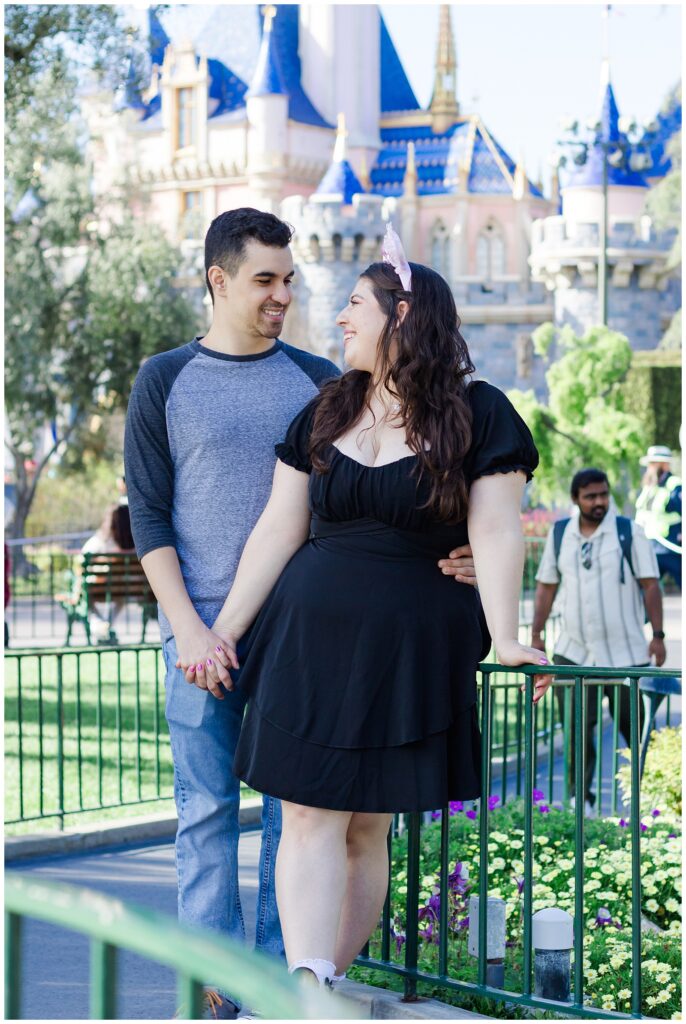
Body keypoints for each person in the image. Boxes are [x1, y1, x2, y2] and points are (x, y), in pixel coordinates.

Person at [124, 210, 477, 1018]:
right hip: (201, 635)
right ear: (219, 280)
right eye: (266, 280)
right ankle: (217, 988)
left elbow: (387, 485)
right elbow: (149, 514)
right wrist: (190, 631)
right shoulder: (164, 379)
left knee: (302, 819)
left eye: (290, 279)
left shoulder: (324, 380)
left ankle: (287, 987)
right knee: (205, 813)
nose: (285, 294)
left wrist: (455, 556)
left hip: (305, 642)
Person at [185, 229, 550, 991]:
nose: (341, 319)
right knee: (310, 815)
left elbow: (494, 528)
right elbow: (277, 530)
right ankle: (309, 988)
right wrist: (224, 630)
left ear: (403, 313)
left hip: (411, 648)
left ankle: (321, 979)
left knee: (365, 826)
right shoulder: (326, 409)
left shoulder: (479, 413)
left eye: (355, 305)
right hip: (307, 644)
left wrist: (510, 636)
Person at [532, 467, 665, 814]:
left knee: (637, 733)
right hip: (573, 654)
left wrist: (659, 636)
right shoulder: (560, 534)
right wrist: (536, 634)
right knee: (577, 731)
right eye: (591, 496)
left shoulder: (628, 532)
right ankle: (581, 804)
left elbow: (651, 584)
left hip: (627, 654)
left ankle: (648, 802)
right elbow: (546, 585)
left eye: (604, 494)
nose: (599, 502)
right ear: (576, 499)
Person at [79, 504, 135, 643]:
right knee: (120, 597)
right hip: (124, 589)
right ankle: (106, 625)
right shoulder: (134, 547)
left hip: (96, 589)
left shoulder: (98, 542)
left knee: (84, 596)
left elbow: (82, 561)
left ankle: (99, 625)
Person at [635, 445, 682, 591]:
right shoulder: (649, 487)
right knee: (645, 590)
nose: (651, 467)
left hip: (671, 547)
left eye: (654, 463)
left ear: (664, 464)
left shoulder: (675, 485)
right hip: (650, 547)